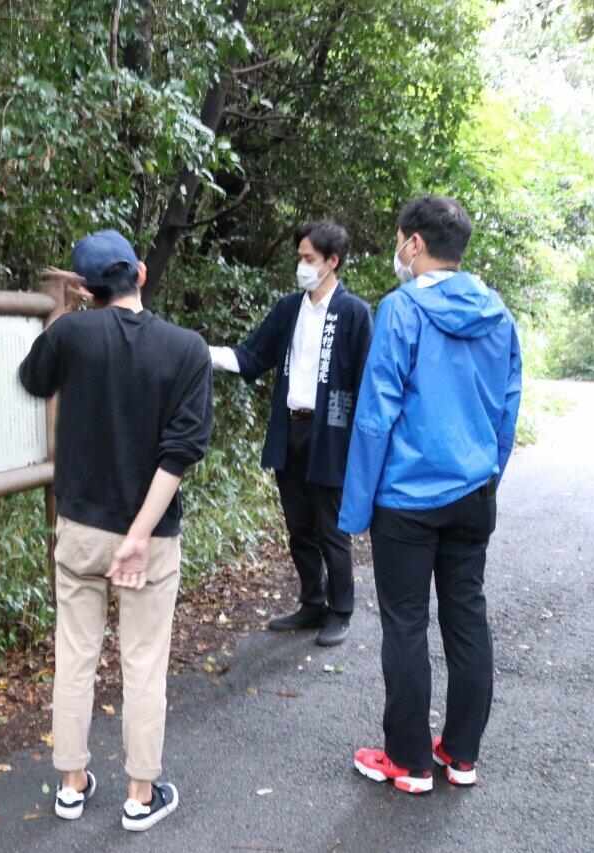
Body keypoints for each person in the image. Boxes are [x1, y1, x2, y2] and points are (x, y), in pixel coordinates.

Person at [18, 229, 214, 832]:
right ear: (141, 273)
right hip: (148, 539)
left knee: (75, 656)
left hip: (80, 529)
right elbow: (182, 450)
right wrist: (138, 535)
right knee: (144, 663)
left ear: (85, 287)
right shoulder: (187, 348)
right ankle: (139, 794)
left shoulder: (71, 334)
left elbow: (34, 379)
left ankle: (71, 784)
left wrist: (66, 312)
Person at [340, 195, 522, 794]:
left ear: (414, 242)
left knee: (405, 624)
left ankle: (410, 760)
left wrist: (356, 507)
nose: (397, 250)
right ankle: (461, 755)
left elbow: (376, 415)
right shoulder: (498, 314)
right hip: (473, 492)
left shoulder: (401, 310)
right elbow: (507, 409)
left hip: (407, 499)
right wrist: (487, 475)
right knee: (467, 618)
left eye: (400, 239)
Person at [209, 221, 373, 647]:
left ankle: (340, 610)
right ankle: (312, 602)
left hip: (331, 433)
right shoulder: (288, 309)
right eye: (299, 257)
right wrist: (199, 353)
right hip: (290, 428)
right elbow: (251, 356)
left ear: (332, 261)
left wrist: (361, 446)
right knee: (299, 526)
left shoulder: (353, 313)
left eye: (308, 258)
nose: (301, 265)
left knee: (331, 528)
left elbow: (366, 382)